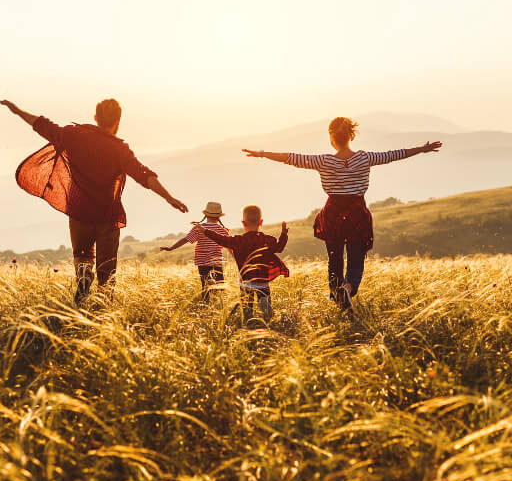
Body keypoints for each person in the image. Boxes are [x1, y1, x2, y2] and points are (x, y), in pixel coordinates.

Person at [243, 117, 441, 316]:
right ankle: (347, 289)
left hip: (333, 215)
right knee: (356, 260)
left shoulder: (323, 161)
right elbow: (394, 155)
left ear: (331, 138)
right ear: (351, 135)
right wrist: (421, 149)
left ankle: (339, 297)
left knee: (334, 259)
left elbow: (290, 157)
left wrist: (262, 154)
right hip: (357, 214)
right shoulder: (364, 158)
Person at [1, 98, 188, 303]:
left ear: (96, 118)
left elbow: (42, 124)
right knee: (107, 271)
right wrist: (169, 197)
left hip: (79, 212)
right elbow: (144, 175)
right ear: (118, 121)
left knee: (82, 257)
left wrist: (17, 110)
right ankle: (104, 310)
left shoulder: (74, 136)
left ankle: (83, 281)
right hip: (107, 216)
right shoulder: (119, 149)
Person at [200, 205, 288, 327]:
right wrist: (283, 234)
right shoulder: (268, 240)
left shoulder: (238, 240)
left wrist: (205, 231)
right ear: (261, 222)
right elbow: (279, 248)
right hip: (263, 281)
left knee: (247, 309)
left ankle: (249, 322)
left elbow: (221, 240)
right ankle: (266, 314)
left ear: (243, 223)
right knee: (265, 300)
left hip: (246, 282)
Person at [159, 201, 230, 303]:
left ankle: (205, 306)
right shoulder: (222, 230)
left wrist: (171, 248)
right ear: (219, 216)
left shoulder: (199, 228)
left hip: (202, 262)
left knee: (205, 286)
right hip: (217, 263)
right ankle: (217, 306)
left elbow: (186, 239)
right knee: (219, 286)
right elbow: (229, 246)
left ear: (205, 214)